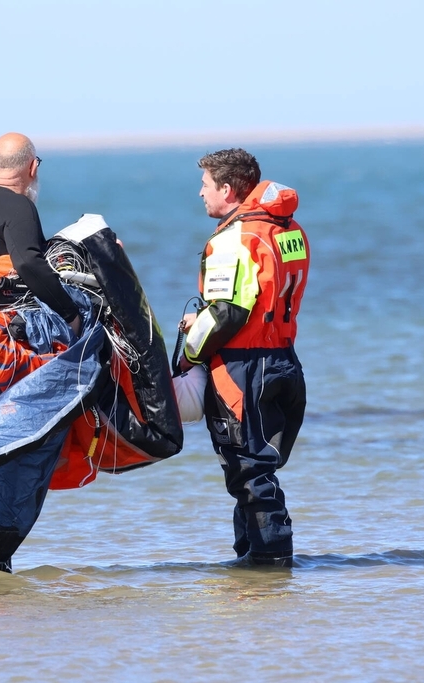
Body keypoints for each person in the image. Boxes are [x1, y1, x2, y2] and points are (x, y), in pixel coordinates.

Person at [177, 148, 310, 568]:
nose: (200, 194)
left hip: (244, 368)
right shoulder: (288, 229)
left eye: (205, 185)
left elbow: (227, 312)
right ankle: (251, 557)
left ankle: (269, 561)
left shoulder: (232, 239)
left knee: (248, 470)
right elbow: (260, 298)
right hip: (284, 361)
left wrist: (188, 354)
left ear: (228, 189)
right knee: (257, 467)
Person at [0, 132, 81, 337]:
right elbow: (28, 263)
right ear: (33, 168)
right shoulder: (19, 205)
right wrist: (70, 314)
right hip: (9, 335)